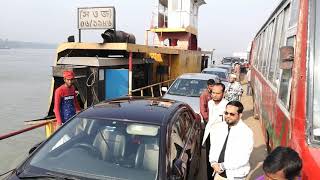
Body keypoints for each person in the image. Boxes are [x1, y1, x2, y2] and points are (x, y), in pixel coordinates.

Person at [209, 101, 253, 180]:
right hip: (218, 174)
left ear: (240, 115)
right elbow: (214, 148)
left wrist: (222, 166)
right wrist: (213, 162)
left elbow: (243, 158)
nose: (228, 116)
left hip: (235, 176)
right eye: (226, 113)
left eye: (232, 114)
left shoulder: (246, 133)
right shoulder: (218, 127)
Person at [202, 83, 229, 180]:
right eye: (213, 93)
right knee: (209, 161)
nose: (214, 95)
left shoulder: (227, 106)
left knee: (218, 163)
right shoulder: (210, 103)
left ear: (223, 93)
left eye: (218, 93)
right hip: (210, 135)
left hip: (220, 139)